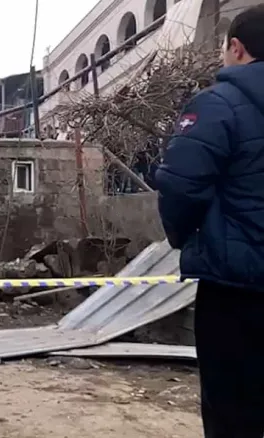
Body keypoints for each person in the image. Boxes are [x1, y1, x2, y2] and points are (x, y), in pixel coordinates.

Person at [154, 5, 264, 437]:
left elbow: (180, 186)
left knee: (231, 414)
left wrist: (188, 238)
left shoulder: (218, 105)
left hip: (237, 291)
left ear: (236, 48)